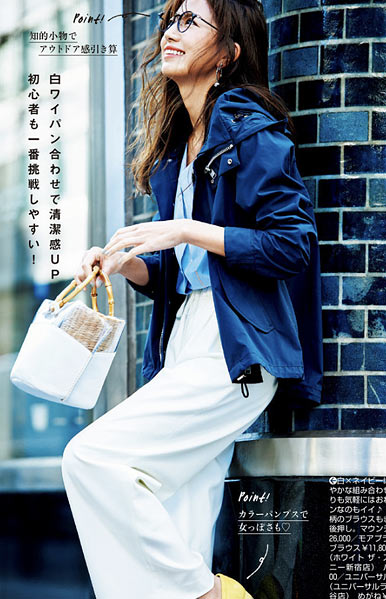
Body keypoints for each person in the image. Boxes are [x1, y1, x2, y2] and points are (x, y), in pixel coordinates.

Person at [61, 0, 323, 598]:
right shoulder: (180, 143)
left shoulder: (249, 130)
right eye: (171, 21)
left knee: (92, 459)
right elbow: (183, 272)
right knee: (174, 521)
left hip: (237, 347)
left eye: (190, 22)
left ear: (228, 53)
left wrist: (184, 229)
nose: (172, 32)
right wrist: (129, 264)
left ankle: (210, 596)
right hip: (187, 339)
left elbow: (292, 244)